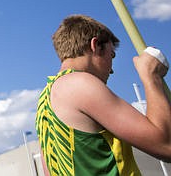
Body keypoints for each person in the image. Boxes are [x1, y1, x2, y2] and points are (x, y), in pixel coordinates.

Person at [36, 14, 171, 175]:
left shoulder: (44, 102)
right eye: (111, 55)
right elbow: (166, 145)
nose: (112, 69)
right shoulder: (79, 84)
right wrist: (151, 76)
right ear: (96, 45)